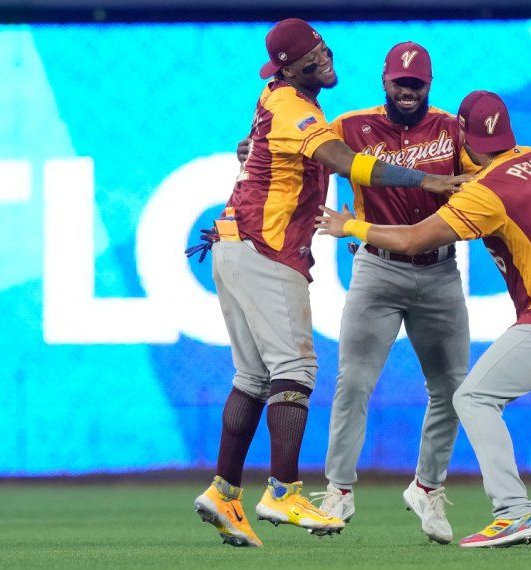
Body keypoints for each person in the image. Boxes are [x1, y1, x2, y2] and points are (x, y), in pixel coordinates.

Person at [315, 90, 531, 549]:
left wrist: (350, 227)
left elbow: (415, 239)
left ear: (463, 136)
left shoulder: (485, 192)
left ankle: (512, 512)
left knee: (472, 397)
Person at [192, 18, 465, 548]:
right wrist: (423, 177)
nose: (325, 56)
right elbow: (339, 159)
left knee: (252, 377)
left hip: (238, 241)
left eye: (323, 46)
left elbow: (256, 147)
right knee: (294, 369)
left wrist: (250, 151)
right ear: (291, 67)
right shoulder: (295, 105)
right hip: (264, 247)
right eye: (313, 53)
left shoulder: (290, 102)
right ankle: (285, 489)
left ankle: (224, 491)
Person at [309, 41, 481, 545]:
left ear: (430, 85)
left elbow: (487, 176)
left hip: (439, 271)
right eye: (400, 82)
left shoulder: (453, 129)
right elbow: (299, 150)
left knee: (453, 387)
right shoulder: (350, 126)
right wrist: (251, 148)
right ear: (384, 81)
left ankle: (428, 487)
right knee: (353, 382)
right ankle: (338, 489)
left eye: (417, 84)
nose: (408, 92)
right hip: (376, 271)